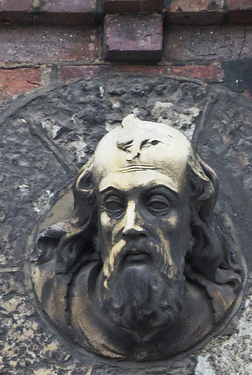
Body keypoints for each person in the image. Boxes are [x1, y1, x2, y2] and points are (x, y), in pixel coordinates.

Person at [34, 114, 245, 361]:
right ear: (95, 231)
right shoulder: (58, 298)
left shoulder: (217, 304)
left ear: (192, 223)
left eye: (157, 203)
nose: (131, 226)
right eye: (114, 205)